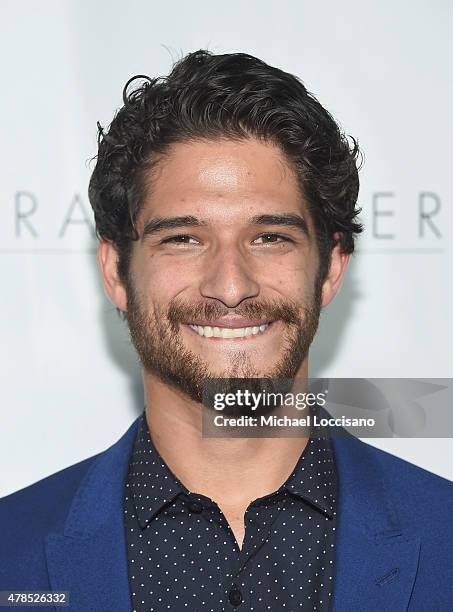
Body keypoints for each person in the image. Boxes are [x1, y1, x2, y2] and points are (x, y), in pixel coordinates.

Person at [1, 50, 452, 612]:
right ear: (117, 272)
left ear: (331, 268)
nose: (231, 286)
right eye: (183, 239)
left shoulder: (445, 539)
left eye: (270, 237)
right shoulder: (8, 555)